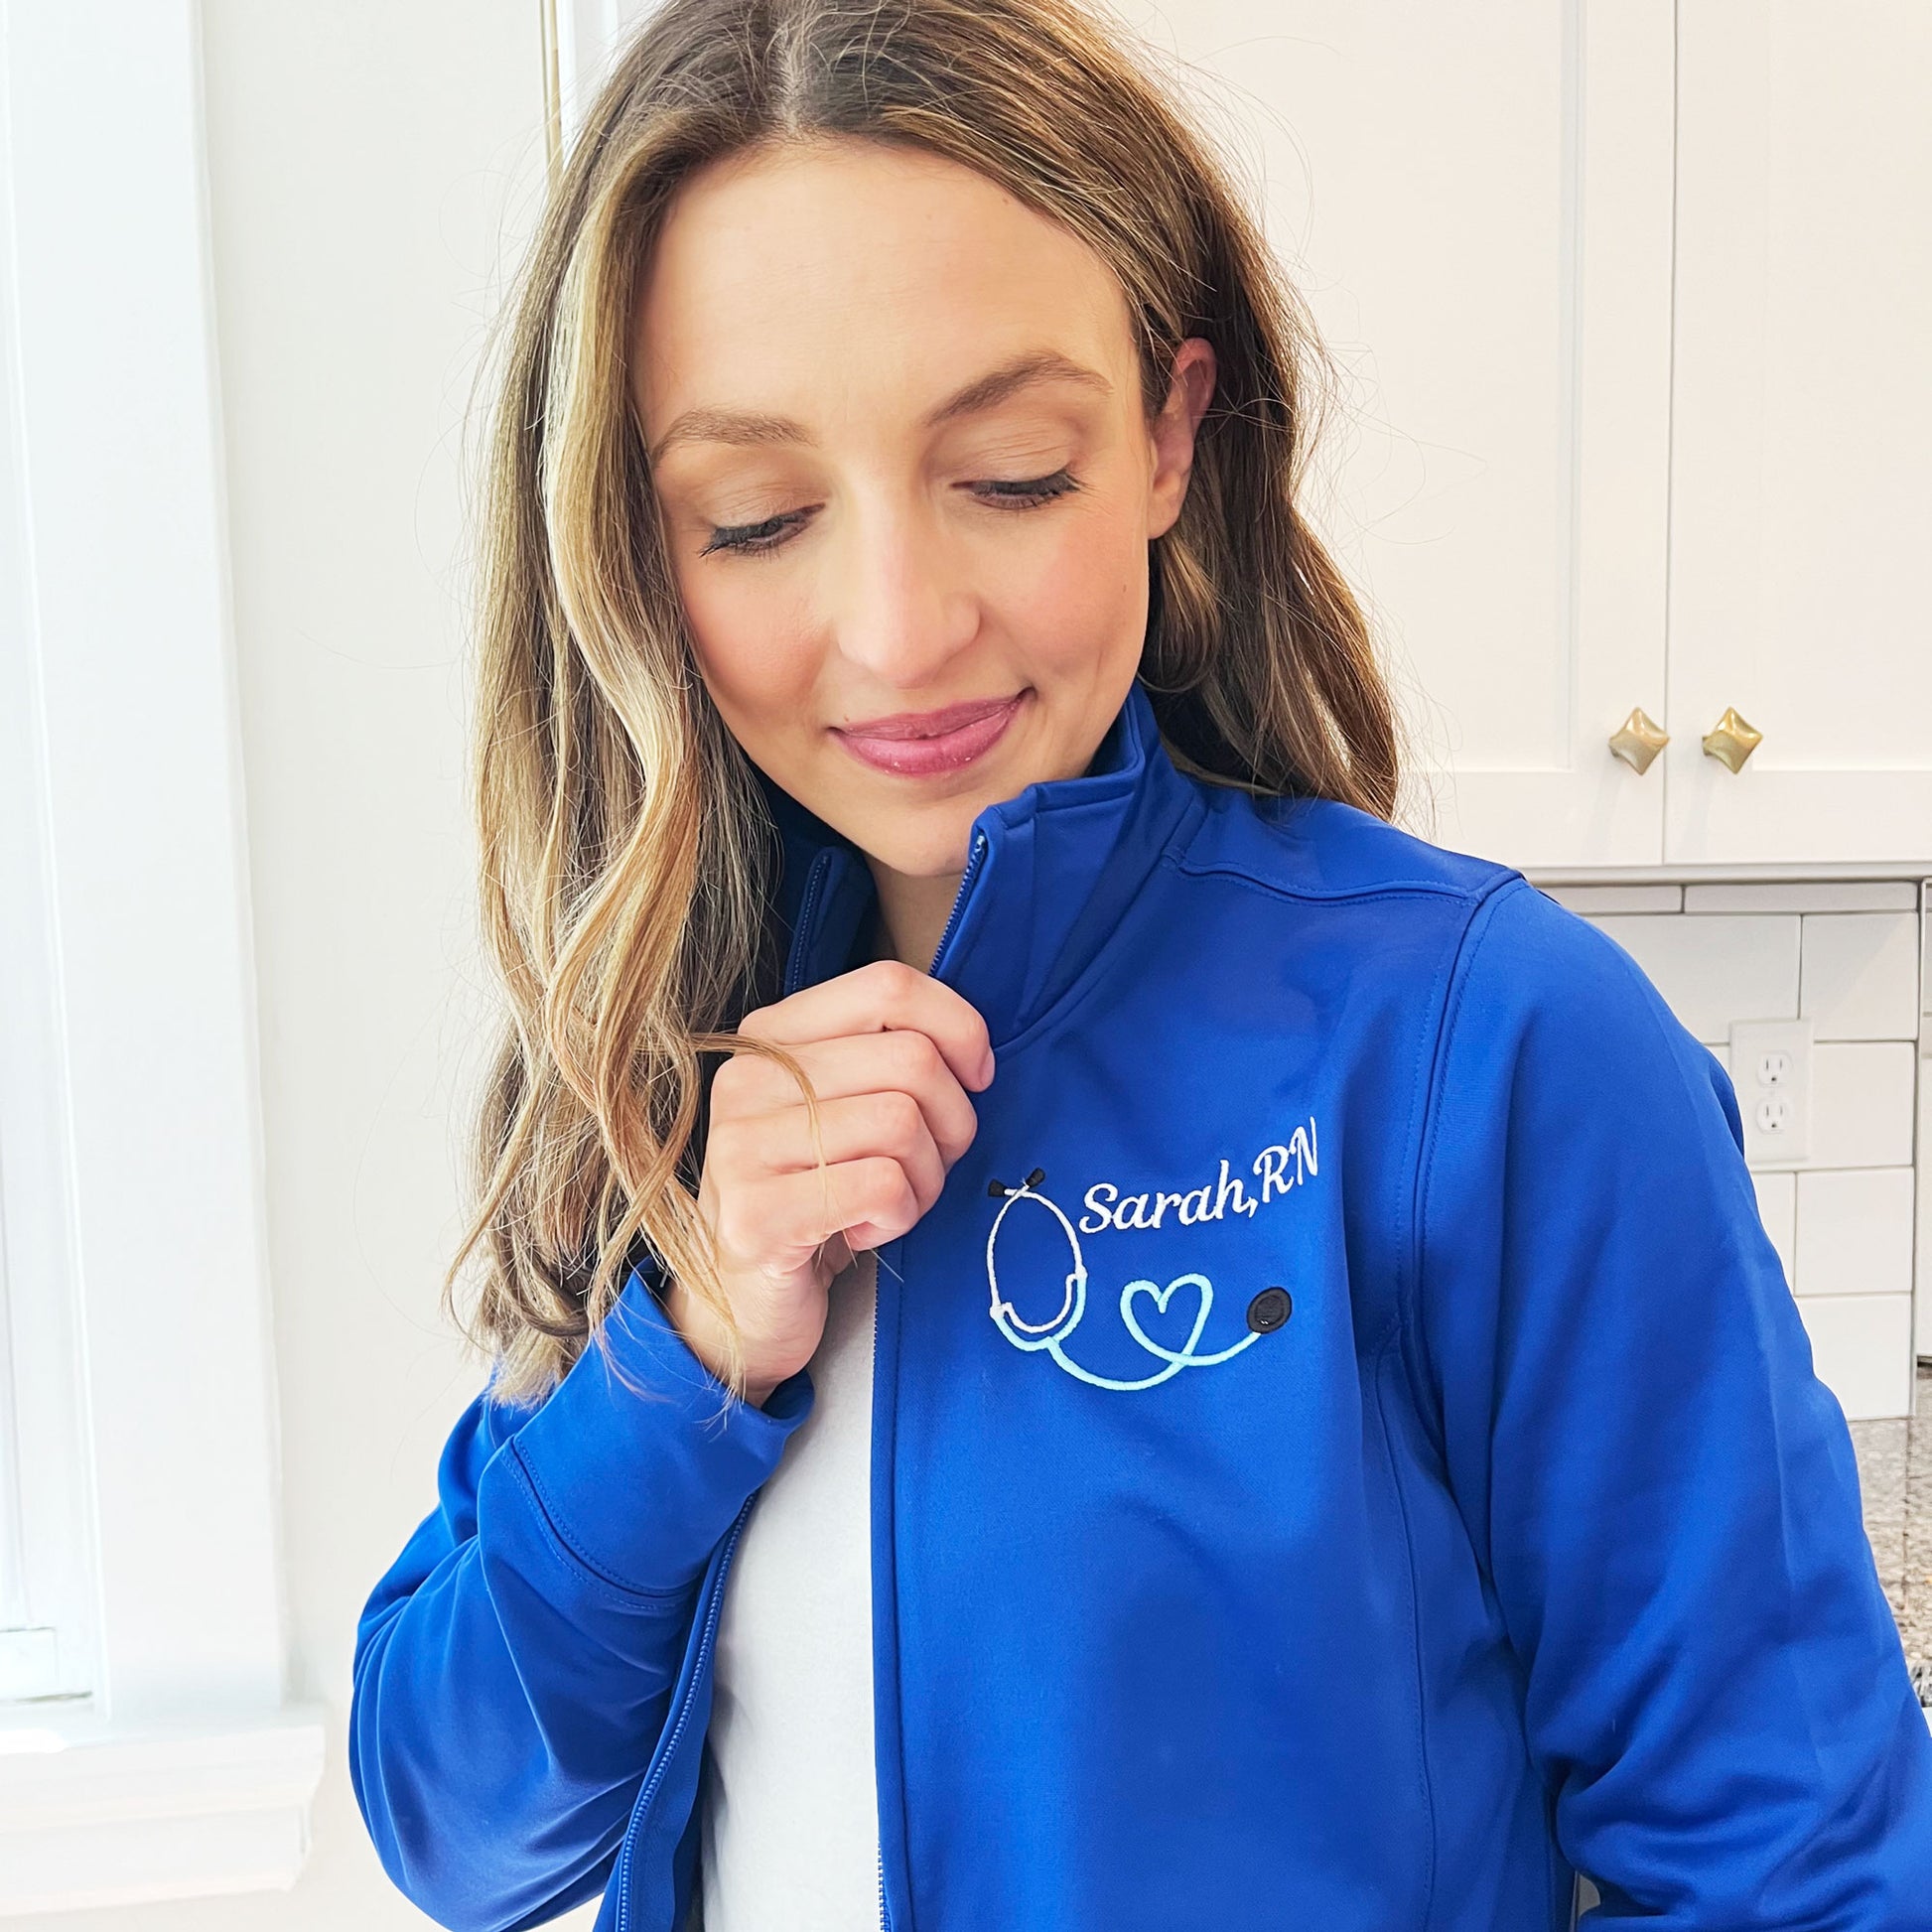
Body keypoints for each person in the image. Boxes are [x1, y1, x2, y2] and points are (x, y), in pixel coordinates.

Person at [347, 0, 1932, 1925]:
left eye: (1009, 471)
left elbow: (1796, 1869)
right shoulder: (663, 1047)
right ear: (634, 544)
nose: (897, 627)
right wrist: (682, 1351)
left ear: (1172, 434)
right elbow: (463, 1831)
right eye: (754, 517)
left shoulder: (1487, 1048)